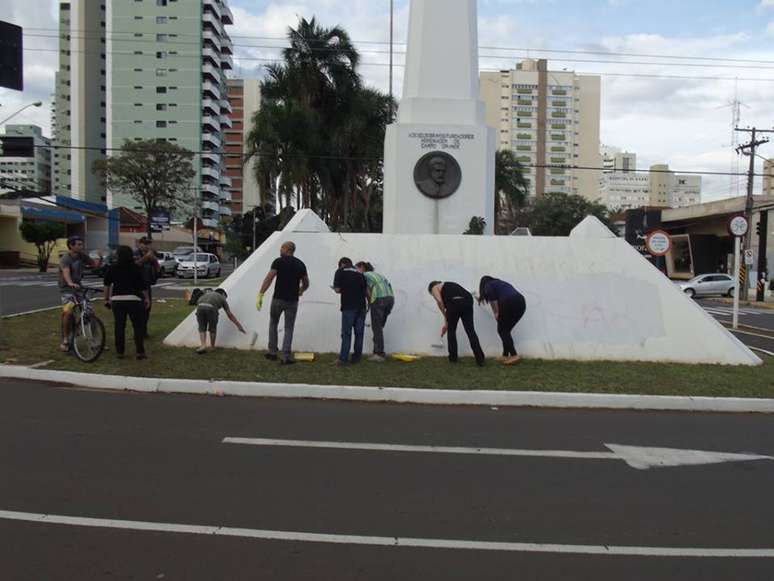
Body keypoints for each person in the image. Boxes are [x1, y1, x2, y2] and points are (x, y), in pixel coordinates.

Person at [257, 241, 309, 365]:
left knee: (273, 324)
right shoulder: (300, 264)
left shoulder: (278, 262)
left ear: (287, 249)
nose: (280, 250)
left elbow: (269, 278)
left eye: (281, 248)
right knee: (289, 328)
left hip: (278, 300)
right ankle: (286, 356)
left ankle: (272, 352)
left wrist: (261, 293)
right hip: (292, 301)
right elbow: (306, 282)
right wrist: (300, 291)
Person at [103, 245, 150, 360]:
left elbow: (107, 284)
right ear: (130, 255)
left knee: (119, 326)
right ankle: (140, 351)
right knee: (137, 326)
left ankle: (120, 352)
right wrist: (147, 298)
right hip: (134, 299)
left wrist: (106, 299)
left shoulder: (112, 268)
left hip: (117, 300)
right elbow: (143, 286)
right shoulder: (135, 268)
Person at [428, 281, 485, 367]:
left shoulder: (434, 287)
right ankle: (480, 359)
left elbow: (439, 301)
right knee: (470, 330)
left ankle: (453, 358)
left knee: (451, 331)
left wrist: (445, 316)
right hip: (467, 300)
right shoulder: (450, 285)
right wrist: (446, 322)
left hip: (454, 302)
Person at [477, 276, 527, 366]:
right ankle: (505, 355)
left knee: (502, 330)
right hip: (521, 302)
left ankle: (514, 355)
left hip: (509, 302)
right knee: (505, 330)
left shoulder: (488, 285)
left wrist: (496, 313)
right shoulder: (499, 283)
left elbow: (493, 301)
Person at [58, 235, 94, 352]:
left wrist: (98, 260)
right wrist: (70, 283)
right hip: (67, 290)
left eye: (81, 244)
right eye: (78, 244)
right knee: (68, 312)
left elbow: (94, 264)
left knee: (90, 313)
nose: (81, 246)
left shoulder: (82, 256)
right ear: (71, 246)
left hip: (79, 288)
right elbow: (66, 272)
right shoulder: (66, 258)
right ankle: (65, 339)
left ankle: (94, 339)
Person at [355, 262, 395, 362]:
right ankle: (377, 351)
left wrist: (369, 303)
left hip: (379, 298)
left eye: (357, 268)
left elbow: (367, 291)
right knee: (379, 326)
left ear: (362, 268)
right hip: (390, 299)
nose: (356, 271)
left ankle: (379, 354)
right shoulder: (378, 275)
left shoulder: (363, 275)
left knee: (376, 327)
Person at [333, 257, 368, 366]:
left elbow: (337, 289)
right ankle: (356, 358)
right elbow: (365, 290)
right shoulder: (360, 273)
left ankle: (343, 359)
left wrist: (340, 289)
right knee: (359, 333)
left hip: (349, 306)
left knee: (346, 333)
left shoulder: (340, 271)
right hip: (361, 307)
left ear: (342, 264)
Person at [195, 289, 246, 354]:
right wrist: (239, 326)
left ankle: (203, 345)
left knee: (202, 327)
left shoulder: (207, 294)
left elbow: (198, 301)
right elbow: (230, 315)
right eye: (225, 297)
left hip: (199, 307)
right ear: (223, 294)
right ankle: (212, 347)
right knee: (212, 328)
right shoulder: (222, 298)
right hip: (211, 308)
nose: (225, 299)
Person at [134, 237, 160, 337]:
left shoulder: (151, 255)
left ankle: (143, 331)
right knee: (138, 310)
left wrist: (155, 260)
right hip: (137, 286)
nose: (146, 246)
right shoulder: (136, 253)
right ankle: (138, 332)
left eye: (148, 244)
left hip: (147, 285)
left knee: (147, 309)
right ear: (139, 244)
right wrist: (146, 257)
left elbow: (157, 270)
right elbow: (135, 265)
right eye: (144, 243)